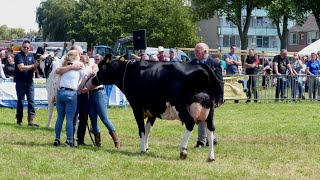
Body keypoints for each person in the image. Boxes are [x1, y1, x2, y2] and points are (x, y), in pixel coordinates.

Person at [81, 56, 121, 148]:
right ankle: (97, 142)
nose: (97, 61)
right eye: (96, 59)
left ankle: (116, 140)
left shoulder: (95, 67)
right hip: (90, 94)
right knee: (93, 119)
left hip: (99, 93)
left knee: (104, 118)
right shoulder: (85, 69)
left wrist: (87, 88)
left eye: (99, 59)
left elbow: (96, 79)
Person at [191, 42, 224, 148]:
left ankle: (201, 142)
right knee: (203, 119)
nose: (195, 52)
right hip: (195, 95)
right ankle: (212, 138)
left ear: (205, 52)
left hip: (209, 96)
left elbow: (219, 82)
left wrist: (220, 99)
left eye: (197, 50)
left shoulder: (214, 64)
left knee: (202, 118)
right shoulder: (192, 63)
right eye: (195, 50)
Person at [54, 50, 85, 147]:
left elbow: (57, 71)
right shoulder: (79, 65)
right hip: (71, 93)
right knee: (69, 119)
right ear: (76, 56)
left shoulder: (65, 63)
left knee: (59, 117)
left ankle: (57, 138)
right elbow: (85, 76)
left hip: (61, 92)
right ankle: (69, 140)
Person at [14, 40, 40, 126]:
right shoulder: (18, 56)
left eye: (27, 47)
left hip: (30, 82)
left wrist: (37, 68)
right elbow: (21, 68)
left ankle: (31, 121)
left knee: (31, 101)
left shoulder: (31, 56)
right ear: (21, 47)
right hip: (20, 82)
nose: (26, 49)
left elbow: (34, 68)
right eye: (24, 47)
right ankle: (19, 120)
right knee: (21, 101)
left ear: (30, 48)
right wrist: (34, 65)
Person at [76, 54, 98, 145]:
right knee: (83, 118)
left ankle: (78, 139)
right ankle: (80, 140)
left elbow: (95, 67)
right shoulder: (84, 70)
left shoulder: (81, 68)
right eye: (85, 62)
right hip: (81, 94)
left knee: (81, 118)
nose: (85, 64)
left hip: (80, 94)